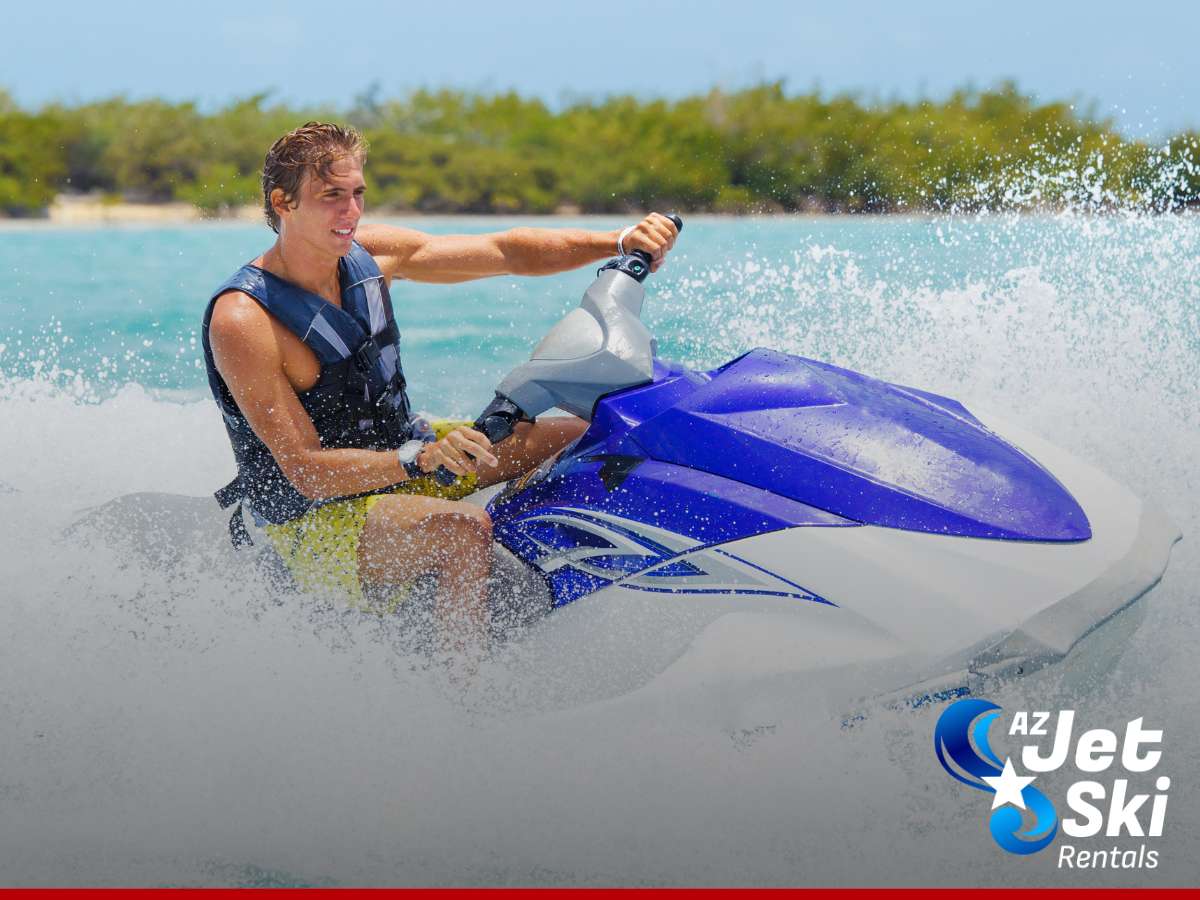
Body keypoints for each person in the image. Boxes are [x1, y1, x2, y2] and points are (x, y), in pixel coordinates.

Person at [201, 121, 677, 651]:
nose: (351, 212)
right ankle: (456, 705)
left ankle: (515, 580)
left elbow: (507, 252)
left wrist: (614, 241)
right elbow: (304, 471)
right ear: (283, 203)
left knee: (585, 435)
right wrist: (420, 460)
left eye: (357, 193)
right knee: (461, 531)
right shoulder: (244, 319)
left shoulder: (372, 255)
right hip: (308, 517)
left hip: (403, 456)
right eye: (331, 196)